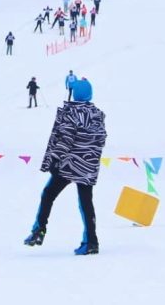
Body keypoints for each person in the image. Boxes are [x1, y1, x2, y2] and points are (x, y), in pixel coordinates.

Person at [23, 78, 107, 256]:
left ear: (75, 94)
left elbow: (66, 139)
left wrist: (54, 160)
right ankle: (92, 242)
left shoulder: (72, 113)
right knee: (86, 203)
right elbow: (100, 140)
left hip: (69, 165)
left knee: (48, 194)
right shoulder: (98, 115)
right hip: (88, 166)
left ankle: (39, 231)